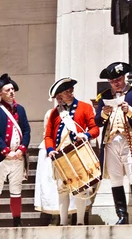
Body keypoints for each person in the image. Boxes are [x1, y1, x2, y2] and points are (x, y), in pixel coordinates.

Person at [95, 62, 132, 224]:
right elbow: (97, 122)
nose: (115, 83)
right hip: (110, 143)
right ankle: (122, 216)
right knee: (116, 179)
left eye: (118, 79)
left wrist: (130, 110)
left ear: (124, 77)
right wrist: (104, 113)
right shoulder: (104, 96)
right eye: (112, 81)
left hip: (129, 141)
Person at [44, 77, 99, 226]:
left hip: (78, 153)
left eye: (71, 90)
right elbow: (48, 136)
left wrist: (86, 135)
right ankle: (63, 223)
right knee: (62, 189)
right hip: (60, 154)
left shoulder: (85, 107)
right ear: (59, 96)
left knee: (81, 188)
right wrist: (50, 149)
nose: (70, 93)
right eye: (66, 92)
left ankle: (80, 222)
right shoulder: (55, 113)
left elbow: (95, 129)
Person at [0, 73, 30, 227]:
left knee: (16, 190)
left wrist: (21, 150)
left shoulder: (21, 110)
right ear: (0, 93)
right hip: (1, 157)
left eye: (13, 89)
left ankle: (17, 220)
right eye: (8, 90)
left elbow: (26, 131)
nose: (12, 92)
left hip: (18, 157)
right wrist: (6, 151)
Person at [34, 95, 76, 224]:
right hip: (54, 152)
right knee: (53, 185)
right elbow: (47, 133)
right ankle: (55, 215)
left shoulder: (74, 110)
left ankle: (70, 215)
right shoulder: (51, 113)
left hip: (70, 150)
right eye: (57, 97)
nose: (59, 99)